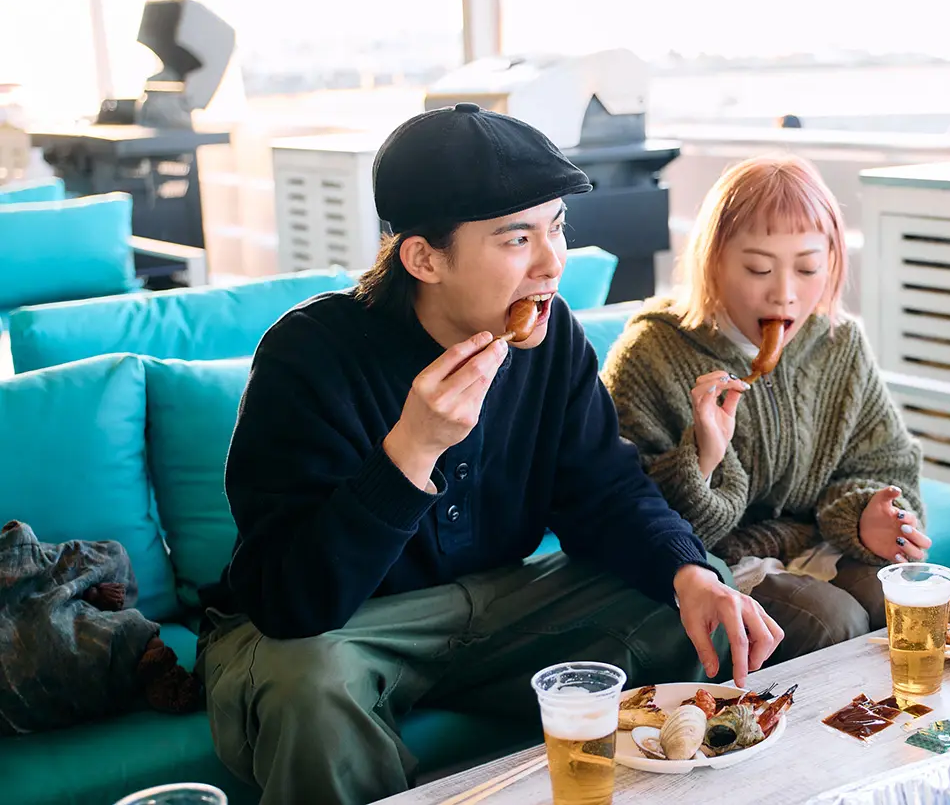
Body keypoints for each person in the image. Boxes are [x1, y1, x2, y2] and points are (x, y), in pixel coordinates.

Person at [195, 104, 783, 805]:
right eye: (517, 239)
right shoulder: (309, 357)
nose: (552, 261)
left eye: (556, 227)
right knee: (310, 684)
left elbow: (605, 493)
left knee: (689, 592)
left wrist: (687, 571)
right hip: (339, 632)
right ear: (424, 258)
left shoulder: (552, 339)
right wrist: (411, 452)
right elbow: (290, 603)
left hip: (499, 605)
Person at [600, 156, 932, 665]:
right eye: (758, 269)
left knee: (897, 595)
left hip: (816, 543)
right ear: (713, 262)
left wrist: (869, 516)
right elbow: (626, 514)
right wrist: (702, 459)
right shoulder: (649, 355)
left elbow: (886, 466)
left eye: (808, 268)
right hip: (716, 564)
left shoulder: (839, 343)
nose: (784, 293)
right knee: (832, 621)